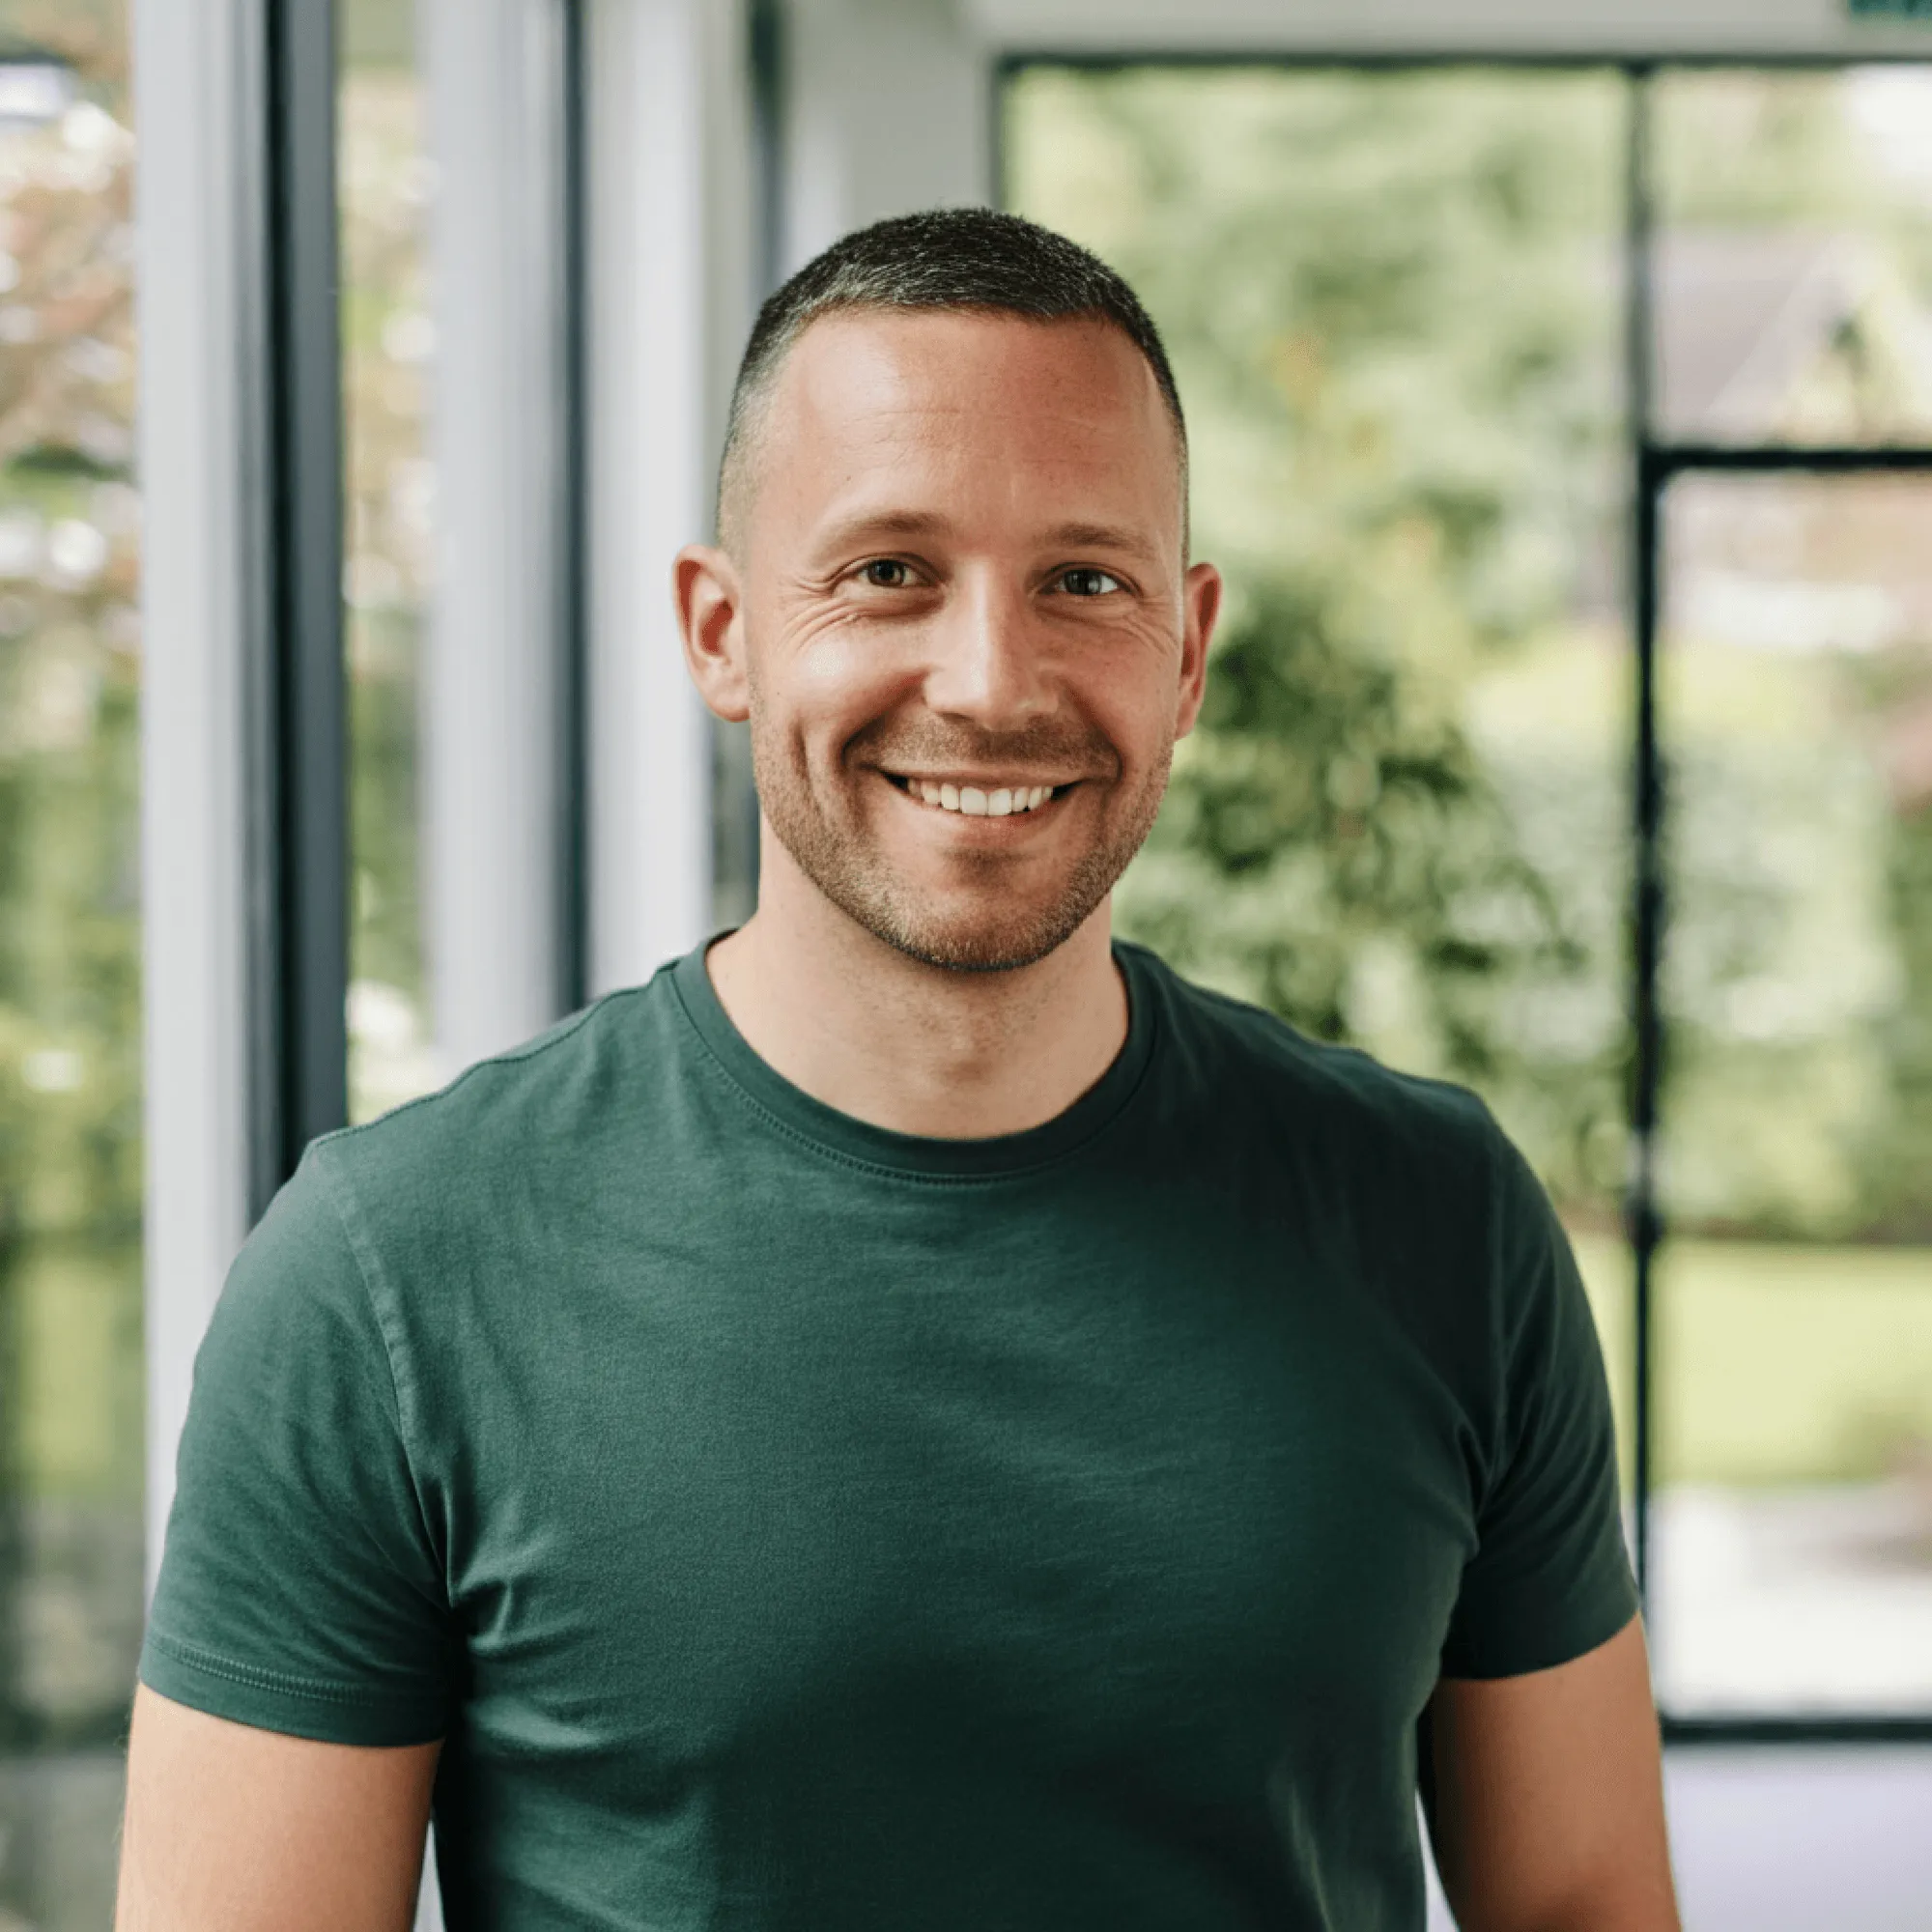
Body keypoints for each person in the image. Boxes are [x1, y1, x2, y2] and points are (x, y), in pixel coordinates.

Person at [118, 208, 1678, 1931]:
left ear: (1186, 649)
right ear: (721, 632)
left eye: (1084, 580)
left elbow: (1591, 1902)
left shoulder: (1439, 1217)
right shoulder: (389, 1272)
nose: (991, 679)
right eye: (888, 572)